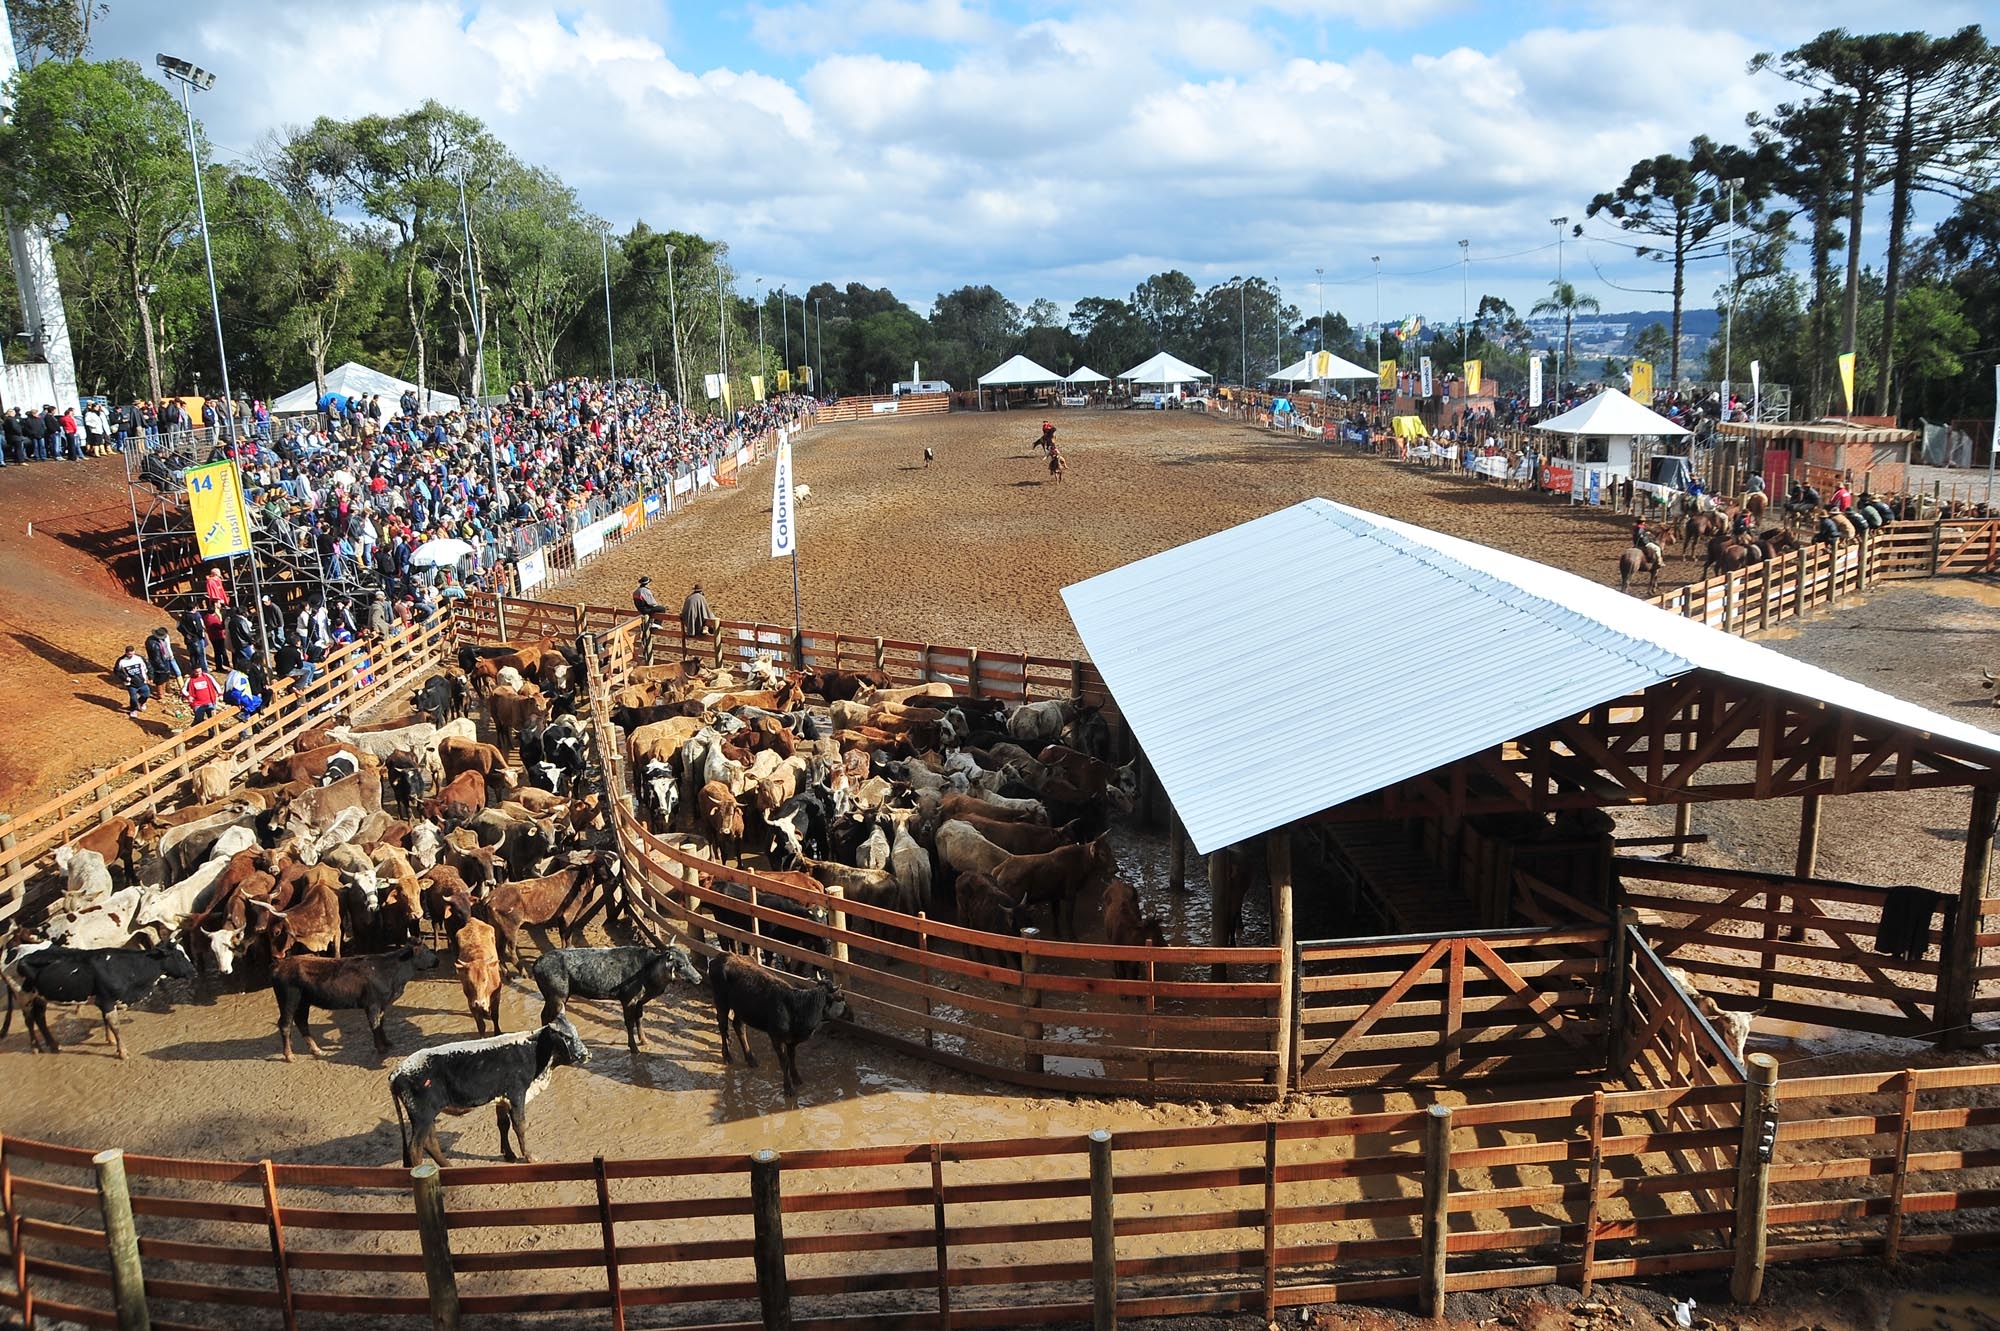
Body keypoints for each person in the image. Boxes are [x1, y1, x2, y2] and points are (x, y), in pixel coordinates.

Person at [113, 644, 151, 720]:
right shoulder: (121, 661)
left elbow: (147, 666)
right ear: (126, 653)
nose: (131, 655)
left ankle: (140, 703)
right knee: (133, 699)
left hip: (142, 681)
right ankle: (133, 710)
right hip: (131, 684)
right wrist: (125, 678)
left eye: (132, 653)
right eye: (129, 654)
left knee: (146, 694)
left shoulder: (139, 658)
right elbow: (116, 671)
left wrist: (150, 676)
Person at [144, 627, 183, 696]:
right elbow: (156, 658)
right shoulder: (153, 644)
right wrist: (162, 666)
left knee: (167, 675)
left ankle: (165, 690)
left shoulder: (161, 639)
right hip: (160, 662)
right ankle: (161, 694)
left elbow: (167, 647)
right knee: (160, 678)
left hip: (166, 658)